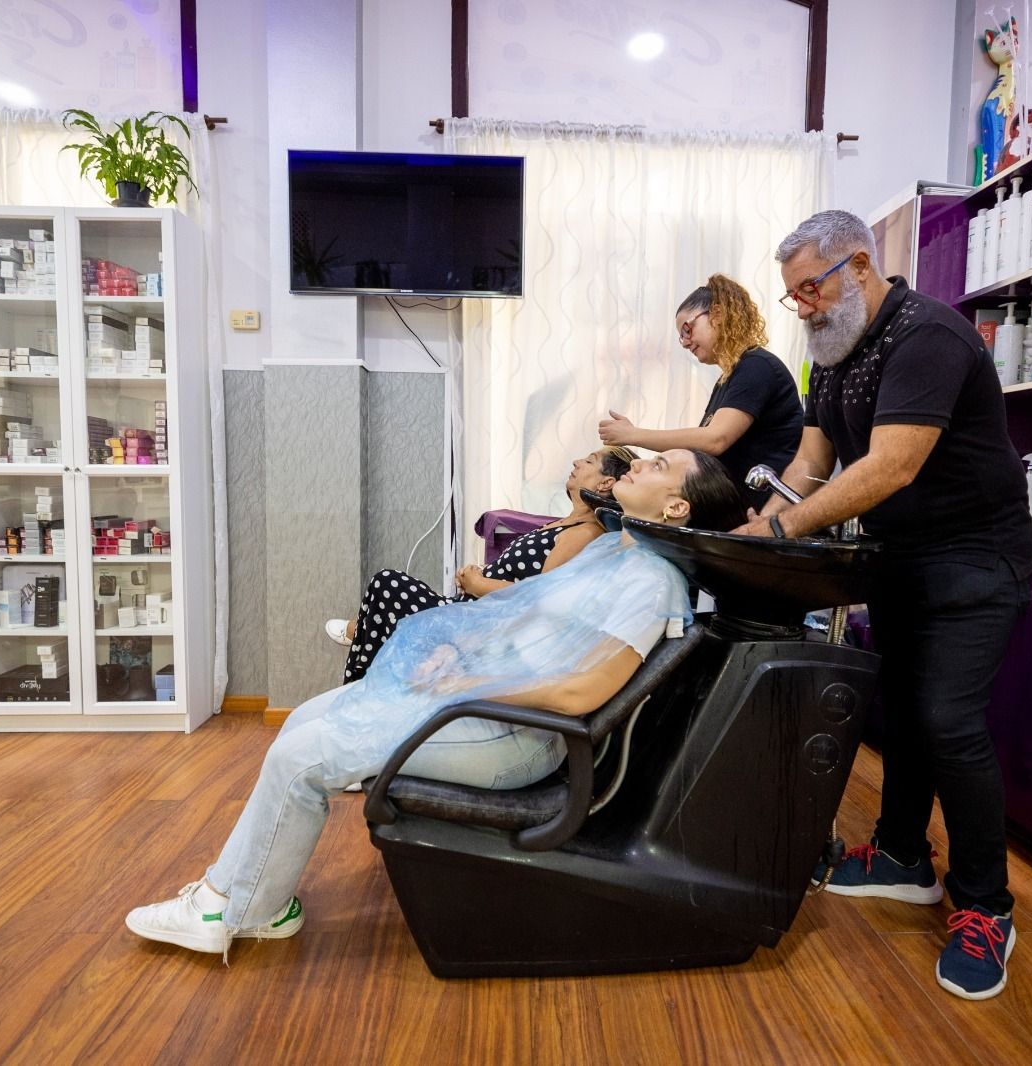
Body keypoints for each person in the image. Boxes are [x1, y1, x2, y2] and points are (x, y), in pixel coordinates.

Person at [127, 449, 745, 958]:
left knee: (305, 755)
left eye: (659, 465)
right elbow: (522, 617)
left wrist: (469, 687)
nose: (637, 464)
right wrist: (463, 655)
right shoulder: (618, 550)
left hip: (519, 735)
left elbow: (582, 691)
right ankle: (262, 900)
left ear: (677, 506)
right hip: (492, 708)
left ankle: (230, 908)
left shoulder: (650, 581)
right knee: (311, 717)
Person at [739, 210, 1032, 1002]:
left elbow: (894, 465)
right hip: (903, 560)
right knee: (901, 711)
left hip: (977, 559)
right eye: (792, 293)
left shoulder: (927, 337)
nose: (800, 305)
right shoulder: (832, 356)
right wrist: (758, 526)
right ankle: (904, 856)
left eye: (810, 288)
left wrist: (788, 527)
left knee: (947, 720)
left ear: (860, 268)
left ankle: (986, 906)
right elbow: (811, 459)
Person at [325, 446, 638, 683]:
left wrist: (478, 583)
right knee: (384, 591)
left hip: (476, 626)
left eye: (589, 461)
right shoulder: (565, 524)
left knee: (387, 585)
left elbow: (540, 599)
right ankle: (361, 650)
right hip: (468, 610)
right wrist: (475, 577)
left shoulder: (583, 532)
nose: (576, 463)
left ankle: (358, 665)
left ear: (604, 483)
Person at [597, 274, 803, 509]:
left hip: (767, 515)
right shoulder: (728, 378)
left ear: (717, 315)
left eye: (687, 329)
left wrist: (633, 435)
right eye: (680, 337)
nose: (684, 342)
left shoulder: (756, 366)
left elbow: (715, 439)